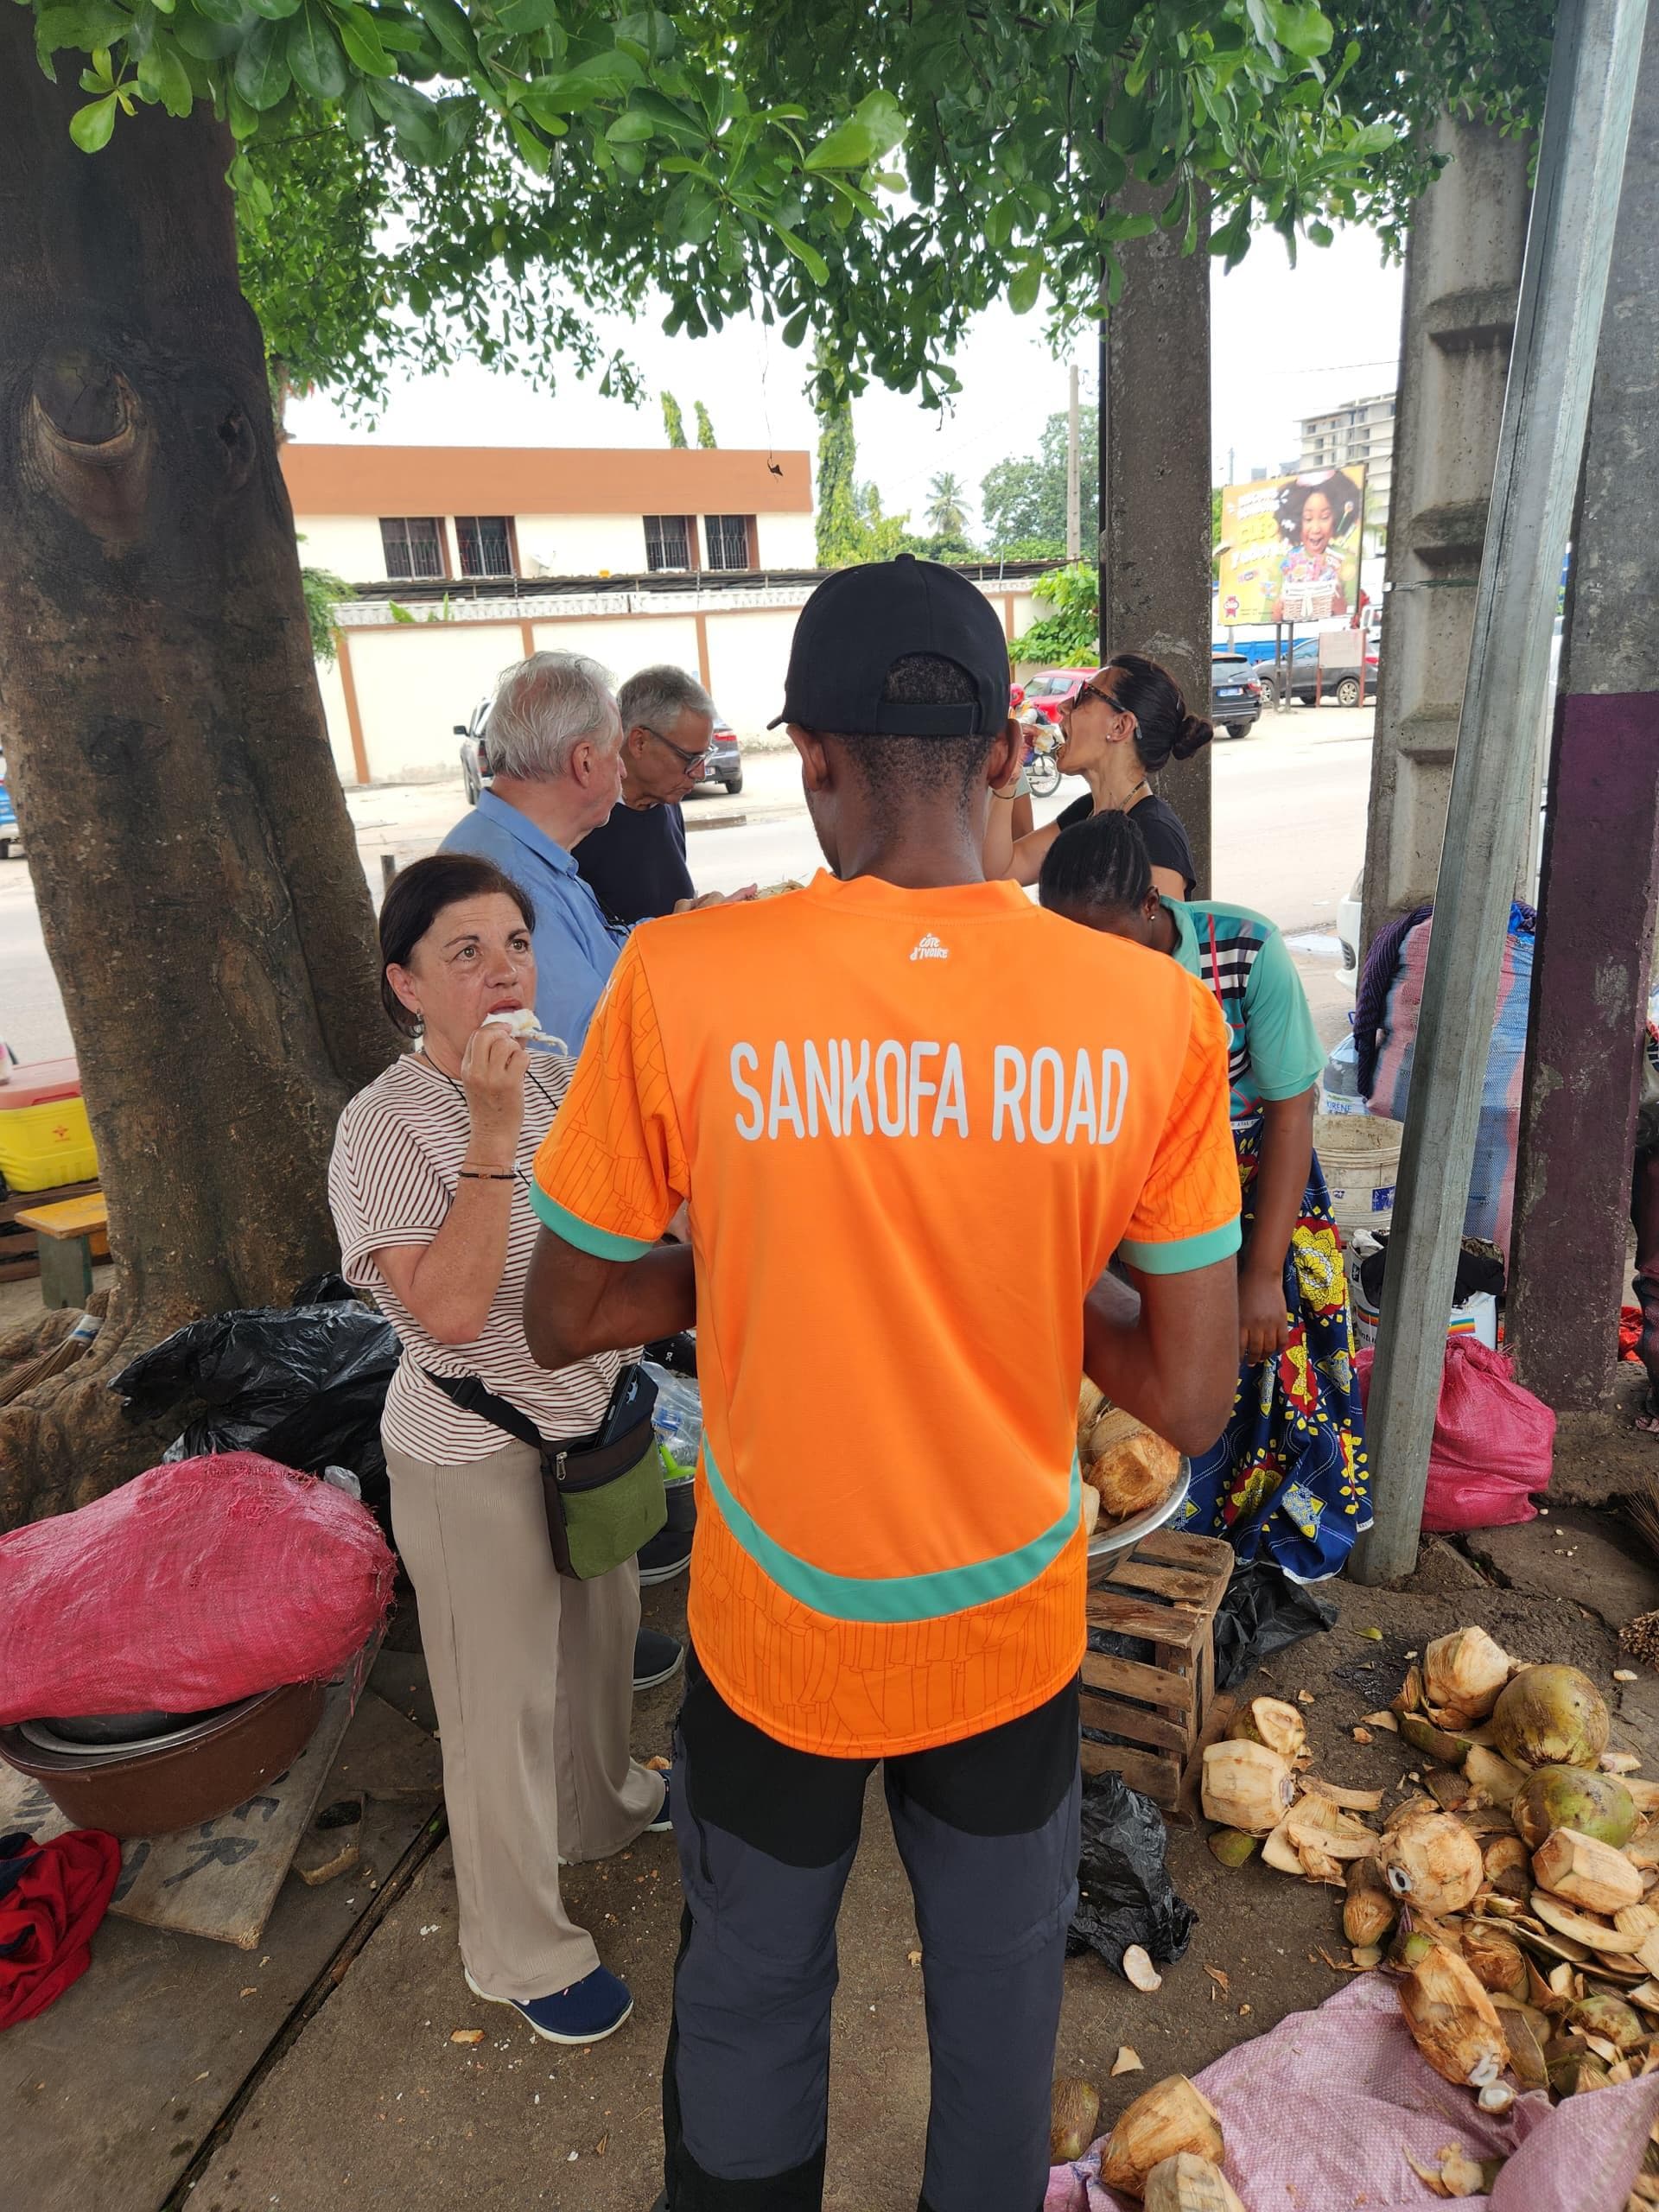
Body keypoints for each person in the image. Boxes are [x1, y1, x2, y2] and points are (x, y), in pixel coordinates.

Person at [518, 553, 1243, 2212]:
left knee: (757, 2001)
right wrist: (1015, 1265)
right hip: (1009, 1627)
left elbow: (562, 1312)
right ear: (1006, 754)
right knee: (996, 2025)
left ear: (811, 757)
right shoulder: (1149, 1014)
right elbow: (1191, 1401)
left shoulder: (686, 984)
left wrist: (774, 1255)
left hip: (779, 1633)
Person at [327, 853, 671, 2046]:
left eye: (513, 945)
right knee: (500, 1704)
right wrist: (486, 1132)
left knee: (601, 1642)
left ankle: (606, 1809)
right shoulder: (380, 1128)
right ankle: (516, 1949)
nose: (500, 971)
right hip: (473, 1452)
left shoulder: (560, 1069)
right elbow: (456, 1315)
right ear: (406, 986)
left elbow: (630, 1216)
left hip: (591, 1427)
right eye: (463, 953)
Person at [1039, 811, 1371, 1583]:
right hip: (1137, 1196)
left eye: (1109, 944)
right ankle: (1165, 1533)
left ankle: (1266, 1543)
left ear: (1150, 910)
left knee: (1268, 1368)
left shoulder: (1247, 951)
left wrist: (1260, 1274)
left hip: (1260, 1189)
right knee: (1143, 1385)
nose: (1091, 968)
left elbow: (1292, 1113)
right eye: (1071, 949)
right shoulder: (1055, 968)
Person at [441, 652, 630, 1052]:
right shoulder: (505, 881)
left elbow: (601, 956)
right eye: (617, 752)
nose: (624, 771)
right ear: (584, 762)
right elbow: (581, 1052)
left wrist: (679, 933)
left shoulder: (511, 848)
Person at [985, 651, 1209, 897]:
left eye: (1083, 696)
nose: (1063, 706)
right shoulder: (1087, 813)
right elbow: (1001, 871)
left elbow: (1149, 936)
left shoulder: (1156, 837)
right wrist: (1008, 778)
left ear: (1120, 726)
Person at [575, 666, 714, 925]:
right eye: (690, 758)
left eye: (704, 756)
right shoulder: (579, 825)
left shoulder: (668, 801)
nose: (700, 773)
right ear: (639, 742)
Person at [1272, 470, 1361, 626]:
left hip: (1335, 640)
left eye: (1325, 517)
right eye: (1307, 519)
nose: (1316, 528)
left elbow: (1358, 617)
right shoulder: (1284, 563)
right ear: (1296, 521)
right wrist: (1277, 613)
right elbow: (1268, 617)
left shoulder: (1347, 561)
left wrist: (1342, 609)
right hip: (1294, 639)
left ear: (1337, 517)